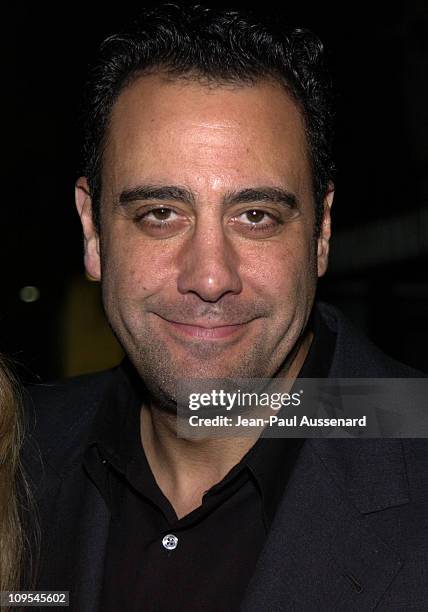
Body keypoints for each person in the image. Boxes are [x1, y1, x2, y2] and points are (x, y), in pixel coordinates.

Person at [24, 4, 428, 611]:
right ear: (92, 229)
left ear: (320, 233)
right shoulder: (18, 451)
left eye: (256, 216)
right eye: (160, 214)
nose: (211, 277)